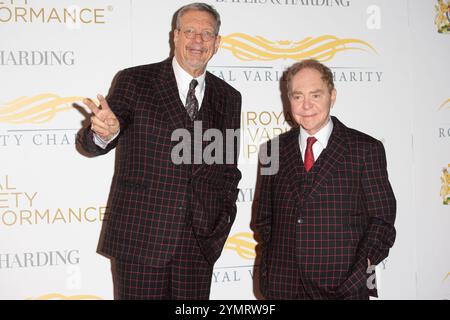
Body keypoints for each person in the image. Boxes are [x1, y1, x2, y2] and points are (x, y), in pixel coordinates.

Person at [78, 3, 242, 299]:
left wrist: (219, 225)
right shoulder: (134, 81)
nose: (197, 40)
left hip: (197, 246)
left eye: (207, 34)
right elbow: (93, 141)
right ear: (175, 36)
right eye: (189, 31)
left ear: (217, 43)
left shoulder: (229, 98)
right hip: (142, 240)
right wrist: (105, 133)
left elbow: (227, 168)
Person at [255, 59, 396, 299]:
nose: (306, 105)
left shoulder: (365, 149)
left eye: (316, 95)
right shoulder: (272, 151)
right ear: (288, 100)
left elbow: (381, 222)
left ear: (332, 96)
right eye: (298, 96)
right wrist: (270, 269)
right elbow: (263, 219)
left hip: (343, 289)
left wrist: (357, 276)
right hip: (282, 288)